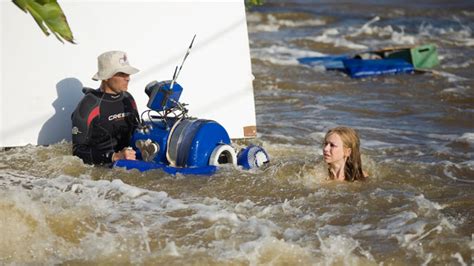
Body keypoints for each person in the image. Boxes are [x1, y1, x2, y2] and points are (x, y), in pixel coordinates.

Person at [71, 51, 140, 165]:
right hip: (103, 169)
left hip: (129, 160)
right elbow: (77, 151)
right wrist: (114, 156)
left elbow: (137, 130)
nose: (128, 78)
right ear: (106, 77)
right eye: (122, 73)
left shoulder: (128, 99)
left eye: (128, 73)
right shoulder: (90, 105)